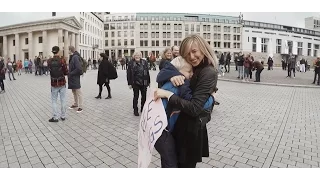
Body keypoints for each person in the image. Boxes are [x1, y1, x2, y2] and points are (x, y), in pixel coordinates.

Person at [154, 34, 218, 168]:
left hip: (190, 133)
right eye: (187, 53)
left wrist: (168, 95)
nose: (191, 57)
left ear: (203, 49)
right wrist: (174, 75)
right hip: (177, 128)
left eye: (194, 51)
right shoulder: (193, 66)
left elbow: (195, 108)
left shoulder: (208, 72)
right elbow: (167, 72)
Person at [47, 46, 69, 122]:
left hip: (53, 83)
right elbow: (66, 72)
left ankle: (55, 117)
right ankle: (63, 116)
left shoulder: (49, 61)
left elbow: (49, 70)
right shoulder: (62, 60)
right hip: (62, 82)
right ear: (58, 51)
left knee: (54, 101)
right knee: (63, 100)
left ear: (52, 52)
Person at [127, 51, 150, 116]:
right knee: (136, 96)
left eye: (139, 55)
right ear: (134, 56)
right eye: (136, 55)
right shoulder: (131, 63)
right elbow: (129, 73)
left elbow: (147, 72)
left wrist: (148, 81)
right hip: (135, 82)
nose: (137, 56)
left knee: (144, 97)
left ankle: (143, 108)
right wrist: (129, 83)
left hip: (144, 82)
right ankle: (135, 110)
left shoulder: (144, 62)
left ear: (141, 56)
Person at [68, 46, 83, 113]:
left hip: (75, 77)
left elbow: (78, 68)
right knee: (74, 91)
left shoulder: (75, 57)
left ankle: (81, 106)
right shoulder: (72, 57)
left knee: (78, 92)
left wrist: (71, 73)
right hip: (72, 77)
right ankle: (75, 104)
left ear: (70, 50)